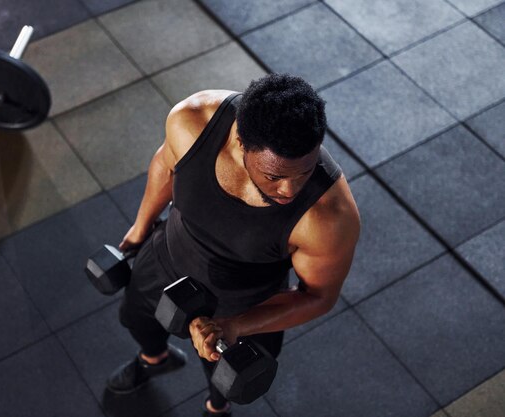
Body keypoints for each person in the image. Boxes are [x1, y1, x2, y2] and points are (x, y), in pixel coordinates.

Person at [107, 74, 360, 416]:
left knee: (224, 379)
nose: (289, 190)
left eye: (305, 171)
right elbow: (165, 166)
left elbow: (318, 297)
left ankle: (216, 408)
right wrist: (139, 229)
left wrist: (237, 325)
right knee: (135, 320)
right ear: (241, 142)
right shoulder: (193, 122)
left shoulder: (329, 217)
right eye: (274, 176)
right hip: (167, 256)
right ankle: (155, 359)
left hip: (246, 304)